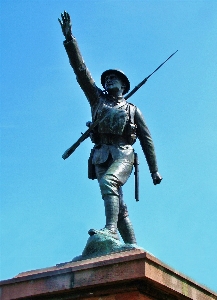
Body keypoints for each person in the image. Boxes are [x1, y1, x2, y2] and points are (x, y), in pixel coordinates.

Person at [58, 11, 162, 244]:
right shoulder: (97, 100)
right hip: (100, 155)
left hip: (123, 153)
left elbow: (147, 140)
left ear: (124, 85)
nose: (108, 81)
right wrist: (69, 40)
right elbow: (81, 71)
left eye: (113, 79)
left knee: (109, 183)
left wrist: (154, 170)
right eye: (106, 80)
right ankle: (132, 246)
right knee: (119, 204)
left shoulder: (133, 110)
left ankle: (111, 230)